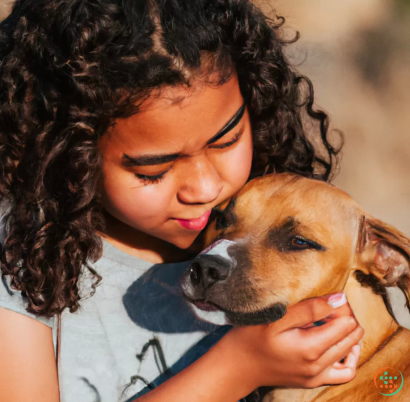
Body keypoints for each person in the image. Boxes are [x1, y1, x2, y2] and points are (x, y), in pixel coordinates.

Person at [0, 1, 364, 401]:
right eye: (153, 170)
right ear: (69, 151)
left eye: (226, 141)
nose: (206, 189)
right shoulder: (20, 261)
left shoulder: (281, 237)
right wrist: (238, 368)